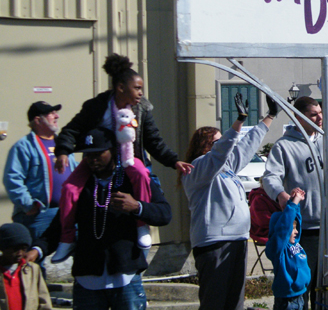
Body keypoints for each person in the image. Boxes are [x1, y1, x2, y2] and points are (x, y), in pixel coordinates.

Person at [51, 54, 192, 262]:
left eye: (141, 89)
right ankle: (67, 238)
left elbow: (154, 141)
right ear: (120, 87)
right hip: (98, 161)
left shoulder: (142, 109)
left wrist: (174, 161)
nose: (141, 93)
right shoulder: (95, 107)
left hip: (128, 158)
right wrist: (62, 151)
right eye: (137, 88)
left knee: (141, 173)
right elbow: (71, 130)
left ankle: (141, 226)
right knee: (70, 188)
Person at [41, 127, 172, 310]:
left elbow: (165, 213)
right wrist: (38, 249)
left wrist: (137, 207)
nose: (92, 159)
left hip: (125, 277)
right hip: (87, 279)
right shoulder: (79, 186)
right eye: (87, 155)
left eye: (98, 153)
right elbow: (59, 224)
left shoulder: (131, 179)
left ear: (113, 151)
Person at [181, 93, 277, 310]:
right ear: (205, 146)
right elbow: (220, 152)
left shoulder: (227, 166)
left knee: (235, 303)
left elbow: (247, 146)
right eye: (216, 142)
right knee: (215, 303)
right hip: (214, 242)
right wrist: (239, 121)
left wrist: (270, 116)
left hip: (238, 240)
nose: (224, 146)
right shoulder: (197, 168)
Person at [261, 96, 328, 309]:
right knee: (303, 284)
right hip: (305, 231)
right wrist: (280, 195)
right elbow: (270, 177)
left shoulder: (327, 143)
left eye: (320, 113)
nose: (320, 118)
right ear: (300, 118)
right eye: (313, 114)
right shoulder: (284, 146)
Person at [3, 103, 78, 246]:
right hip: (39, 215)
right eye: (51, 114)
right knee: (36, 257)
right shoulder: (24, 146)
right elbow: (12, 178)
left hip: (67, 211)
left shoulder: (62, 144)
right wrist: (29, 205)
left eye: (56, 113)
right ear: (37, 120)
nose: (57, 116)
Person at [265, 188, 310, 310]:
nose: (296, 231)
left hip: (300, 295)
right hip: (287, 300)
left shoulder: (294, 243)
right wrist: (293, 204)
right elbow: (283, 228)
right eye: (293, 228)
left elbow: (296, 221)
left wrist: (294, 203)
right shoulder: (277, 248)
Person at [0, 223, 52, 310]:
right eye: (15, 249)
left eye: (24, 249)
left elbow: (44, 301)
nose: (20, 253)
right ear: (3, 248)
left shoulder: (32, 270)